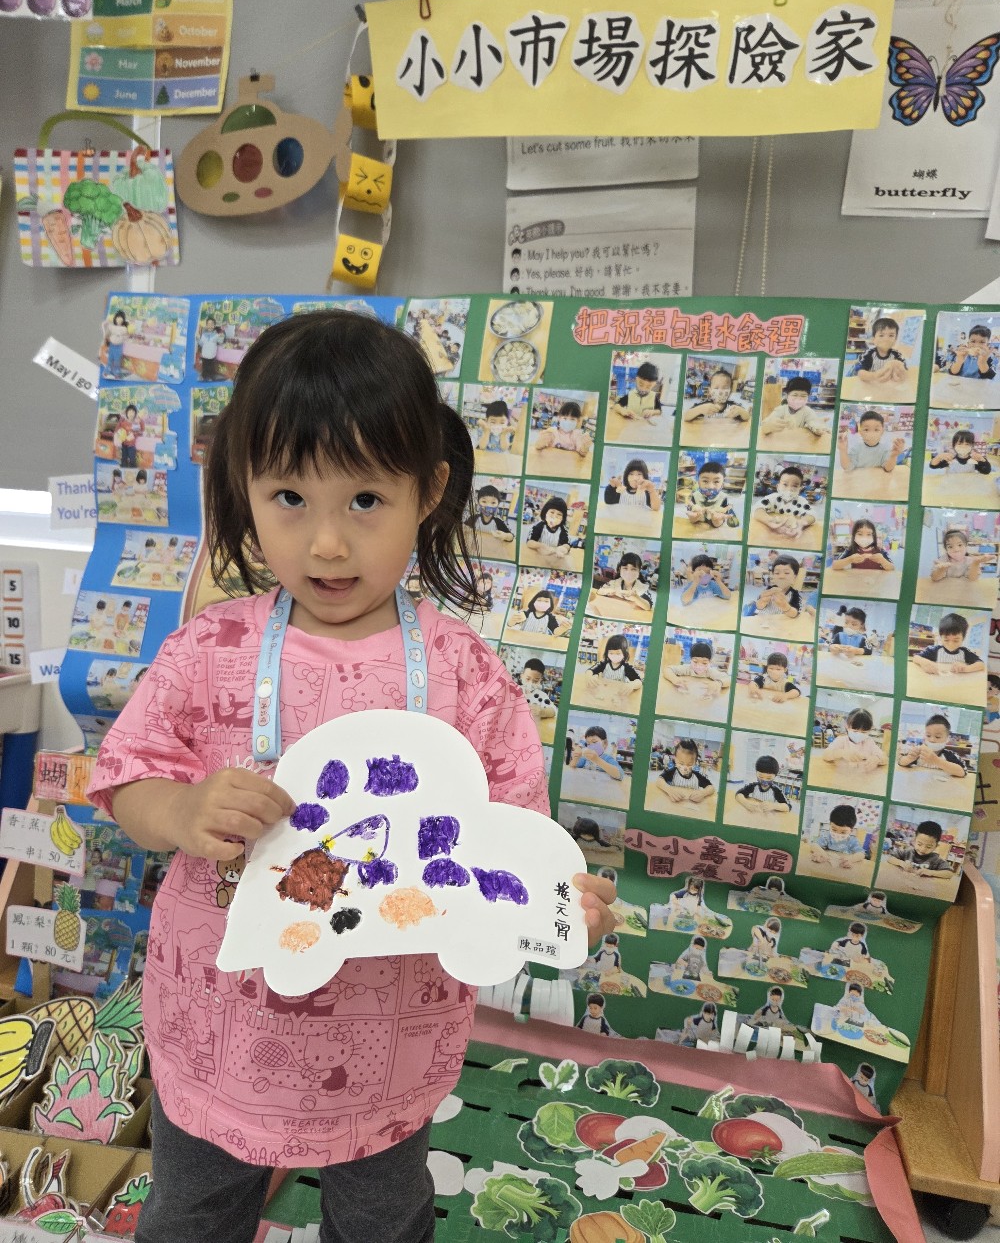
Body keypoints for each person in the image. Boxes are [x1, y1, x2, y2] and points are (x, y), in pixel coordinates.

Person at [85, 310, 616, 1243]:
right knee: (193, 1214)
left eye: (365, 499)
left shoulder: (464, 671)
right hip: (221, 1025)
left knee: (381, 1217)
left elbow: (514, 836)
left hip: (387, 1034)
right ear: (243, 487)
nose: (327, 543)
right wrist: (182, 807)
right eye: (289, 497)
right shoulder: (209, 648)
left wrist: (561, 903)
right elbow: (126, 778)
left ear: (428, 491)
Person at [910, 611, 983, 677]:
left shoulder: (965, 652)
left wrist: (966, 668)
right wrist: (923, 662)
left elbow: (981, 664)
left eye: (956, 640)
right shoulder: (934, 650)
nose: (950, 644)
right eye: (946, 640)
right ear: (940, 637)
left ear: (963, 638)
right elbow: (916, 657)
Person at [752, 464, 816, 539]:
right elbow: (757, 509)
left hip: (792, 536)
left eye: (795, 486)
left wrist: (801, 523)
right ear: (778, 486)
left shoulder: (802, 501)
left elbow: (812, 515)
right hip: (772, 535)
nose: (789, 489)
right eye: (785, 484)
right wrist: (769, 520)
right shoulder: (773, 498)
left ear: (800, 489)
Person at [816, 708, 887, 773]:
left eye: (864, 732)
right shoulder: (841, 740)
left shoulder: (869, 742)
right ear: (847, 726)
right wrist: (842, 753)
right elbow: (825, 755)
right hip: (842, 775)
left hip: (862, 777)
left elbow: (885, 758)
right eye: (855, 731)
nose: (859, 734)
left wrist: (877, 758)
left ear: (870, 730)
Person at [898, 713, 966, 779]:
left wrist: (936, 760)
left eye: (937, 737)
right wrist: (909, 758)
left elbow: (962, 772)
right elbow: (901, 762)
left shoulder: (950, 755)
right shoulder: (919, 752)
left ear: (947, 738)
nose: (932, 740)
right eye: (928, 735)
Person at [759, 375, 826, 440]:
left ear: (808, 397)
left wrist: (818, 429)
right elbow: (765, 425)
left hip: (799, 442)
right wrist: (769, 426)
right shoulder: (781, 410)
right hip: (781, 441)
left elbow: (813, 422)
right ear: (787, 395)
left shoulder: (808, 412)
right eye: (795, 395)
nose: (798, 398)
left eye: (803, 396)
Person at [883, 820, 954, 881]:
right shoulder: (908, 852)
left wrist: (931, 872)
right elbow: (890, 858)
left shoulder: (935, 859)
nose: (922, 849)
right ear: (914, 841)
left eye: (928, 847)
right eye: (919, 844)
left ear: (936, 846)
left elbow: (949, 873)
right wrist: (901, 863)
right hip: (904, 882)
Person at [838, 410, 904, 474]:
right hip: (859, 479)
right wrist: (843, 451)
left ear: (882, 432)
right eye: (866, 430)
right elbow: (847, 467)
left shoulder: (885, 449)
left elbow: (888, 468)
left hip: (878, 479)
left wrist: (893, 456)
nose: (871, 433)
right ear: (860, 432)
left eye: (876, 430)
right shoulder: (856, 449)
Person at [656, 738, 716, 807]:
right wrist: (669, 790)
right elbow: (659, 780)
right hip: (674, 805)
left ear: (695, 762)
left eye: (689, 764)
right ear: (675, 759)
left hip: (692, 807)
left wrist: (703, 793)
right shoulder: (673, 772)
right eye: (681, 763)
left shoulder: (697, 775)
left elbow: (711, 788)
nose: (685, 768)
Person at [661, 639, 729, 699]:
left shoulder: (710, 671)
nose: (699, 666)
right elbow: (667, 669)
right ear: (690, 660)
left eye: (704, 663)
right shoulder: (688, 668)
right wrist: (674, 679)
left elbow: (728, 679)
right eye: (695, 661)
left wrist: (719, 683)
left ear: (710, 662)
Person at [806, 803, 865, 871]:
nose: (837, 834)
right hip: (826, 867)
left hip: (843, 868)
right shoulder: (827, 836)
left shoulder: (852, 841)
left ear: (851, 830)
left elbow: (861, 854)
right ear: (830, 825)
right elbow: (814, 845)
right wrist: (822, 854)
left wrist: (851, 859)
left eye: (843, 832)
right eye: (834, 829)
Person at [743, 554, 801, 621]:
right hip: (764, 621)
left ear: (794, 577)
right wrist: (762, 602)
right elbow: (758, 607)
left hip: (782, 622)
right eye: (777, 573)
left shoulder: (795, 594)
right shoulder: (769, 589)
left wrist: (785, 606)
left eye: (786, 573)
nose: (781, 576)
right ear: (773, 576)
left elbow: (795, 614)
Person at [685, 459, 740, 529]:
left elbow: (725, 510)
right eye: (705, 481)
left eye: (716, 482)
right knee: (693, 516)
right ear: (698, 483)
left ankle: (716, 520)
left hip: (715, 518)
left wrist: (724, 514)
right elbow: (691, 506)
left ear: (722, 485)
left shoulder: (723, 497)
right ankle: (695, 517)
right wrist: (693, 512)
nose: (710, 486)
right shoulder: (695, 495)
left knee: (718, 519)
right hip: (699, 519)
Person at [683, 368, 750, 424]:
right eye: (716, 388)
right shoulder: (705, 405)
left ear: (730, 391)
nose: (720, 391)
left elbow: (747, 417)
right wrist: (700, 409)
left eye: (725, 388)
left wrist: (740, 411)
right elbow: (685, 417)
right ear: (710, 390)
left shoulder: (733, 406)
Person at [852, 317, 907, 385]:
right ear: (873, 339)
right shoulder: (868, 354)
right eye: (881, 335)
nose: (886, 339)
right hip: (871, 386)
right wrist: (874, 376)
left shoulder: (897, 355)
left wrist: (899, 369)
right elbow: (860, 373)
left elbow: (904, 371)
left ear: (895, 340)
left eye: (891, 335)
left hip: (889, 387)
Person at [519, 658, 556, 726]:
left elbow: (553, 711)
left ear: (540, 680)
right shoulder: (514, 690)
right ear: (522, 676)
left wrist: (542, 712)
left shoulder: (541, 695)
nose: (530, 683)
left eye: (535, 681)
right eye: (528, 679)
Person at [103, 309, 130, 380]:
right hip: (112, 346)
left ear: (123, 319)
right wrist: (107, 321)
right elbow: (106, 329)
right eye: (118, 317)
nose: (119, 319)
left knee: (117, 361)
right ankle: (107, 371)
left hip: (119, 347)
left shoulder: (124, 329)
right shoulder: (112, 327)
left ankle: (116, 373)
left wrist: (123, 337)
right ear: (115, 318)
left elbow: (127, 336)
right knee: (110, 359)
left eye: (121, 318)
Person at [116, 404, 144, 469]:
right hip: (124, 444)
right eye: (129, 412)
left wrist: (133, 434)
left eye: (133, 412)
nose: (131, 414)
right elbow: (117, 429)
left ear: (135, 414)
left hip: (131, 445)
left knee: (132, 459)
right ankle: (123, 468)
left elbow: (141, 431)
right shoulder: (123, 422)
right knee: (124, 459)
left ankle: (133, 470)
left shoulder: (136, 422)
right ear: (126, 413)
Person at [198, 314, 223, 382]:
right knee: (204, 368)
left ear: (214, 326)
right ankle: (204, 377)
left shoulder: (216, 335)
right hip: (204, 355)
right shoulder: (203, 335)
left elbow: (220, 342)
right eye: (208, 324)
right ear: (206, 325)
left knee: (211, 369)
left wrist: (221, 337)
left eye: (212, 324)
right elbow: (201, 344)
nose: (210, 326)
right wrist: (197, 339)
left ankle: (211, 378)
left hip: (212, 356)